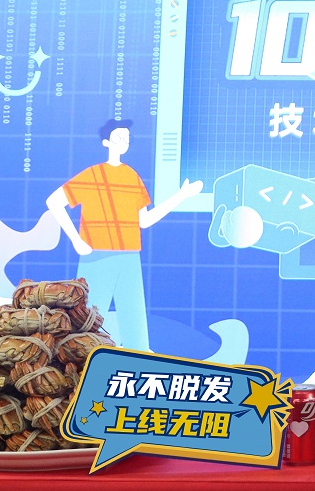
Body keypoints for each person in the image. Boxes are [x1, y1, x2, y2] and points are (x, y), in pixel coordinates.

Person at [46, 119, 202, 351]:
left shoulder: (131, 176)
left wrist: (181, 196)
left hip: (129, 256)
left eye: (126, 139)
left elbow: (145, 220)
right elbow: (54, 201)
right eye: (118, 138)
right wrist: (77, 240)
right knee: (87, 325)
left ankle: (138, 364)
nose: (123, 143)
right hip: (97, 256)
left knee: (135, 328)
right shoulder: (92, 175)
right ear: (106, 142)